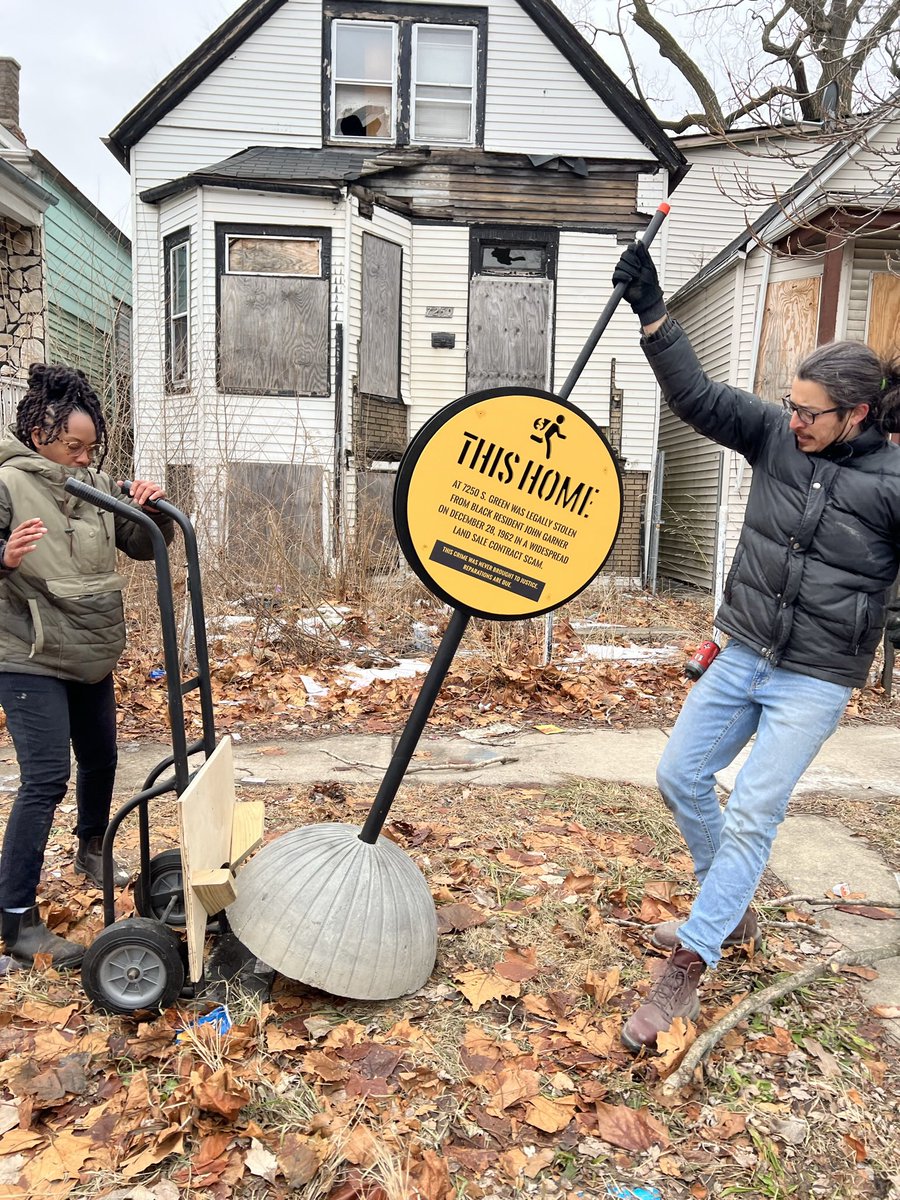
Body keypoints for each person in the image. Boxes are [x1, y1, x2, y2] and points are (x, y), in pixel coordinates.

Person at [611, 240, 900, 1053]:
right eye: (791, 404)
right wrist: (654, 315)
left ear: (857, 414)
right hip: (744, 650)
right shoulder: (776, 436)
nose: (794, 418)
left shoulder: (892, 486)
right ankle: (726, 912)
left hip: (815, 678)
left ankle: (693, 963)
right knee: (679, 776)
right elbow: (700, 398)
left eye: (810, 411)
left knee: (755, 815)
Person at [0, 363, 173, 968]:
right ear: (37, 432)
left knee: (100, 758)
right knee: (46, 778)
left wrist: (146, 511)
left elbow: (145, 547)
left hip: (92, 649)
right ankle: (17, 923)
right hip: (29, 653)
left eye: (90, 447)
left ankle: (92, 848)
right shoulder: (7, 482)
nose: (82, 457)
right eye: (72, 446)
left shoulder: (93, 487)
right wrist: (4, 554)